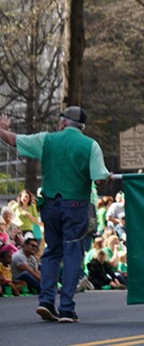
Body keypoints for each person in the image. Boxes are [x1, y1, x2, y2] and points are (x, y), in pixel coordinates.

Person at [0, 107, 110, 323]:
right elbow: (98, 178)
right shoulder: (91, 145)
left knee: (51, 252)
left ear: (62, 123)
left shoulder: (47, 140)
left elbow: (13, 140)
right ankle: (67, 308)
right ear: (82, 127)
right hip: (76, 205)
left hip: (50, 205)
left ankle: (46, 301)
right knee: (72, 254)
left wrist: (2, 129)